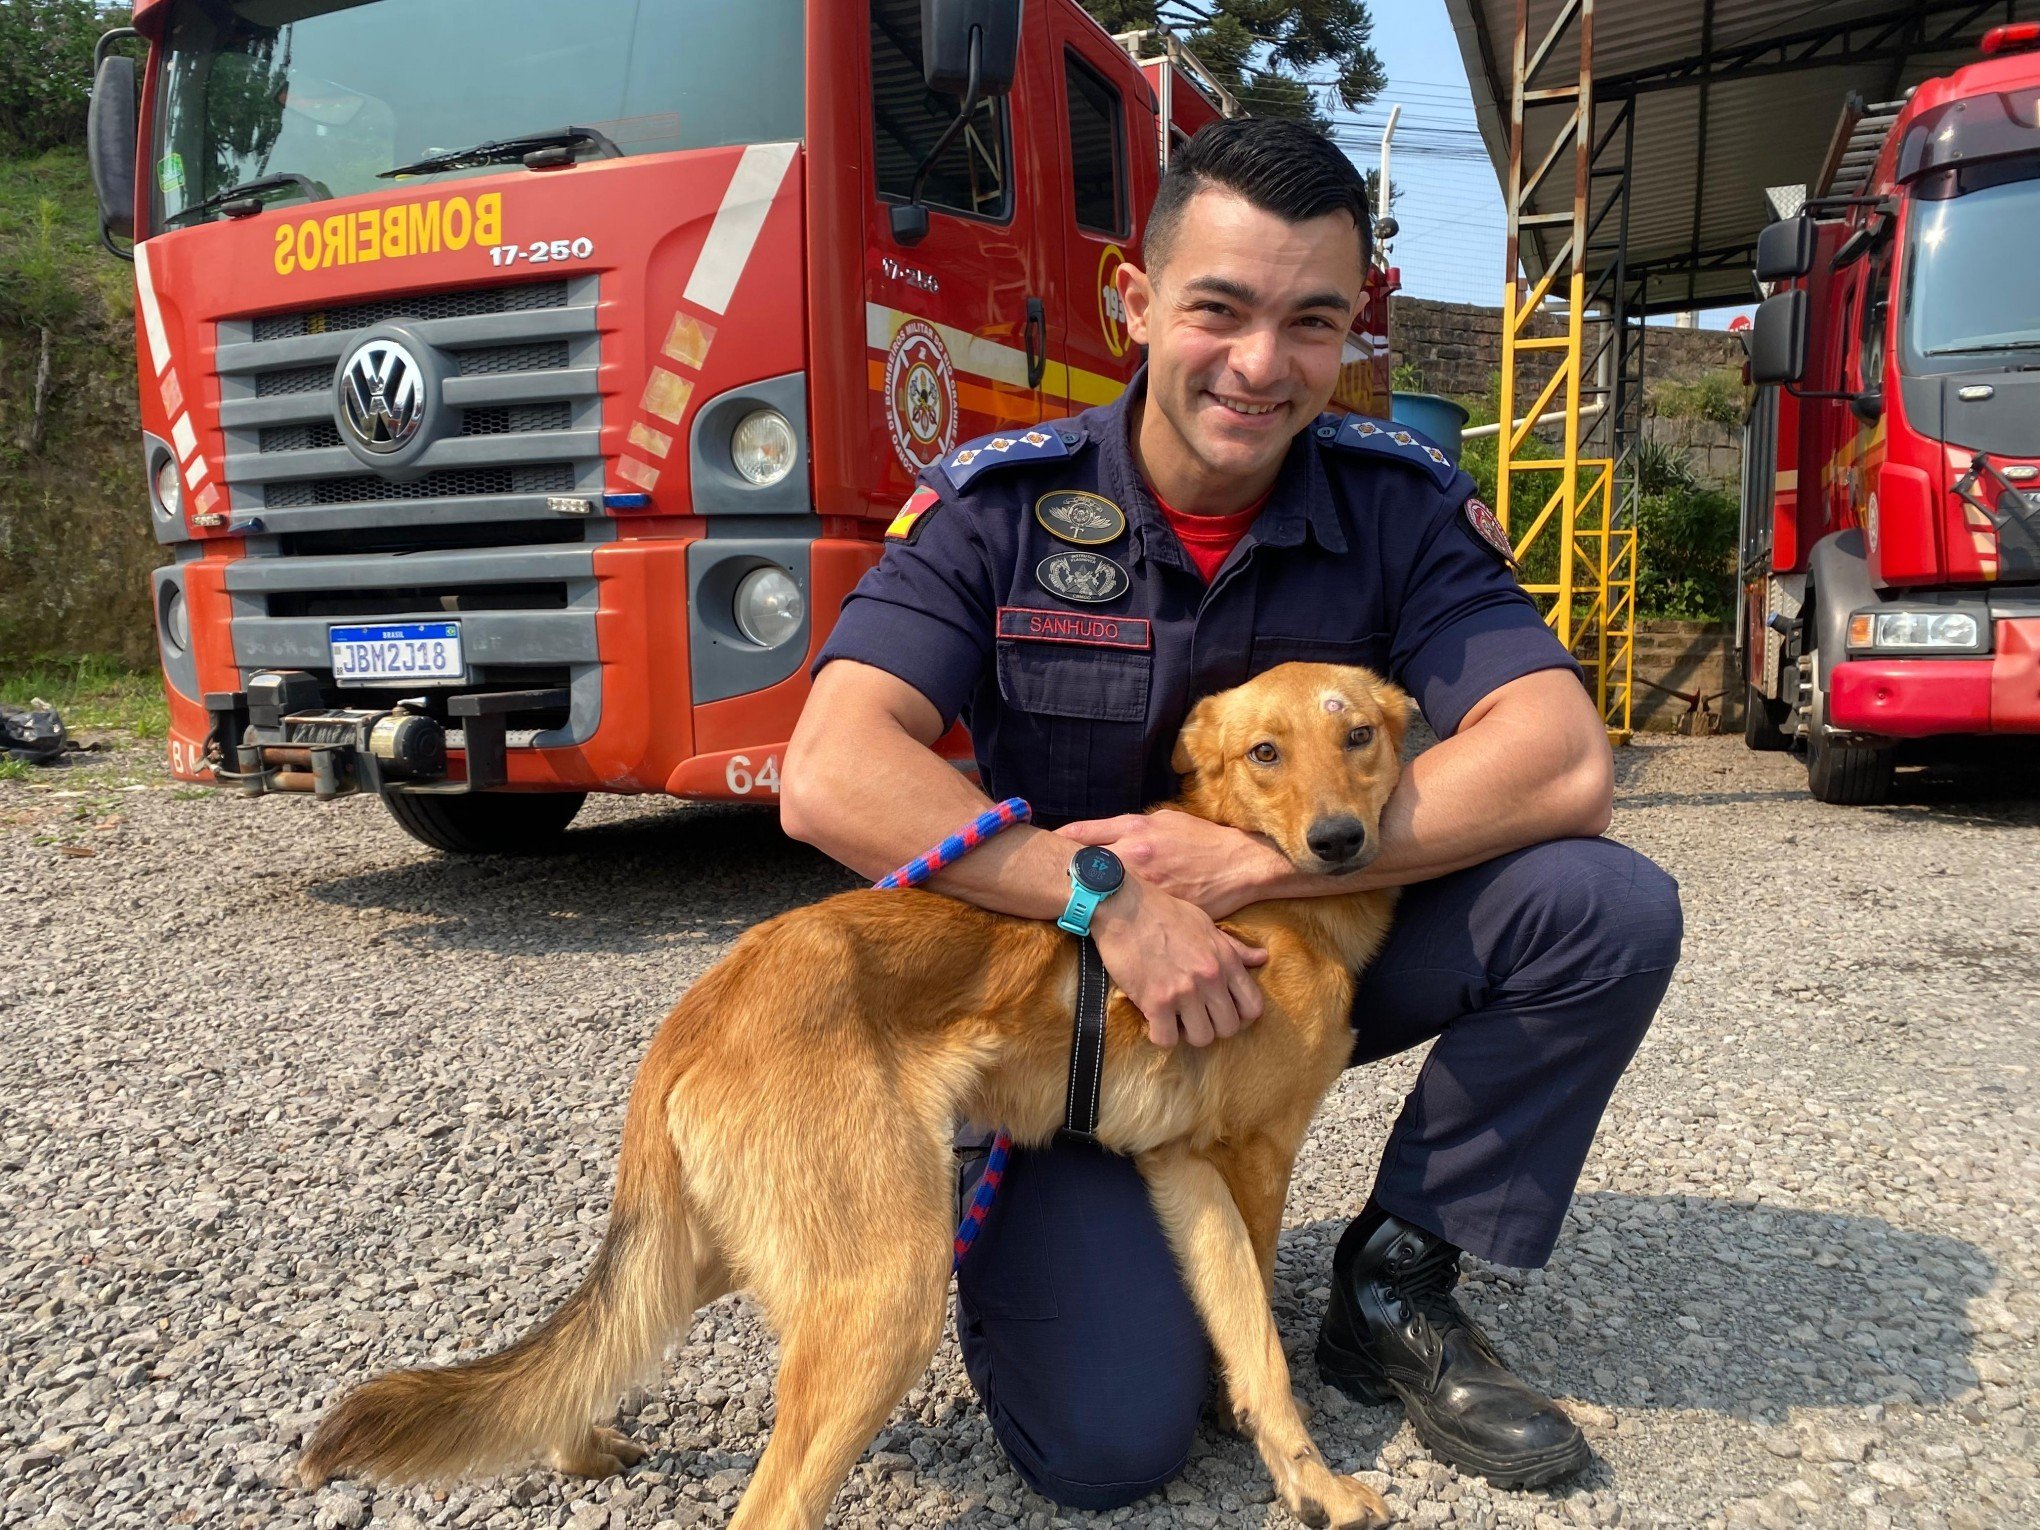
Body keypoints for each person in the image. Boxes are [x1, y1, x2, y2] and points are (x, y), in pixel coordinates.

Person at [780, 117, 1682, 1506]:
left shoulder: (1399, 509)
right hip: (1077, 1031)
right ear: (1133, 304)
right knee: (1114, 1442)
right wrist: (1111, 896)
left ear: (1348, 330)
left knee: (1601, 905)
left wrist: (1254, 868)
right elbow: (832, 770)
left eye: (1311, 321)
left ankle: (1390, 1281)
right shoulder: (1002, 509)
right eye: (1220, 308)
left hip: (1303, 967)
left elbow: (1561, 760)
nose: (1263, 365)